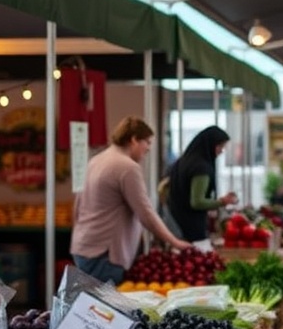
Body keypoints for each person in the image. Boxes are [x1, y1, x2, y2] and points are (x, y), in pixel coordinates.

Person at [71, 117, 191, 284]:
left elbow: (78, 206)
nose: (148, 148)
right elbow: (145, 213)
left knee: (89, 299)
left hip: (83, 247)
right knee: (106, 301)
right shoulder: (127, 167)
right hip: (104, 254)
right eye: (147, 142)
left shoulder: (96, 161)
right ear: (134, 139)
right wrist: (174, 241)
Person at [165, 125, 239, 242]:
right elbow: (197, 202)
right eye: (220, 146)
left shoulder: (183, 161)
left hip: (176, 223)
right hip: (191, 227)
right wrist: (222, 201)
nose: (221, 151)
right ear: (210, 145)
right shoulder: (201, 168)